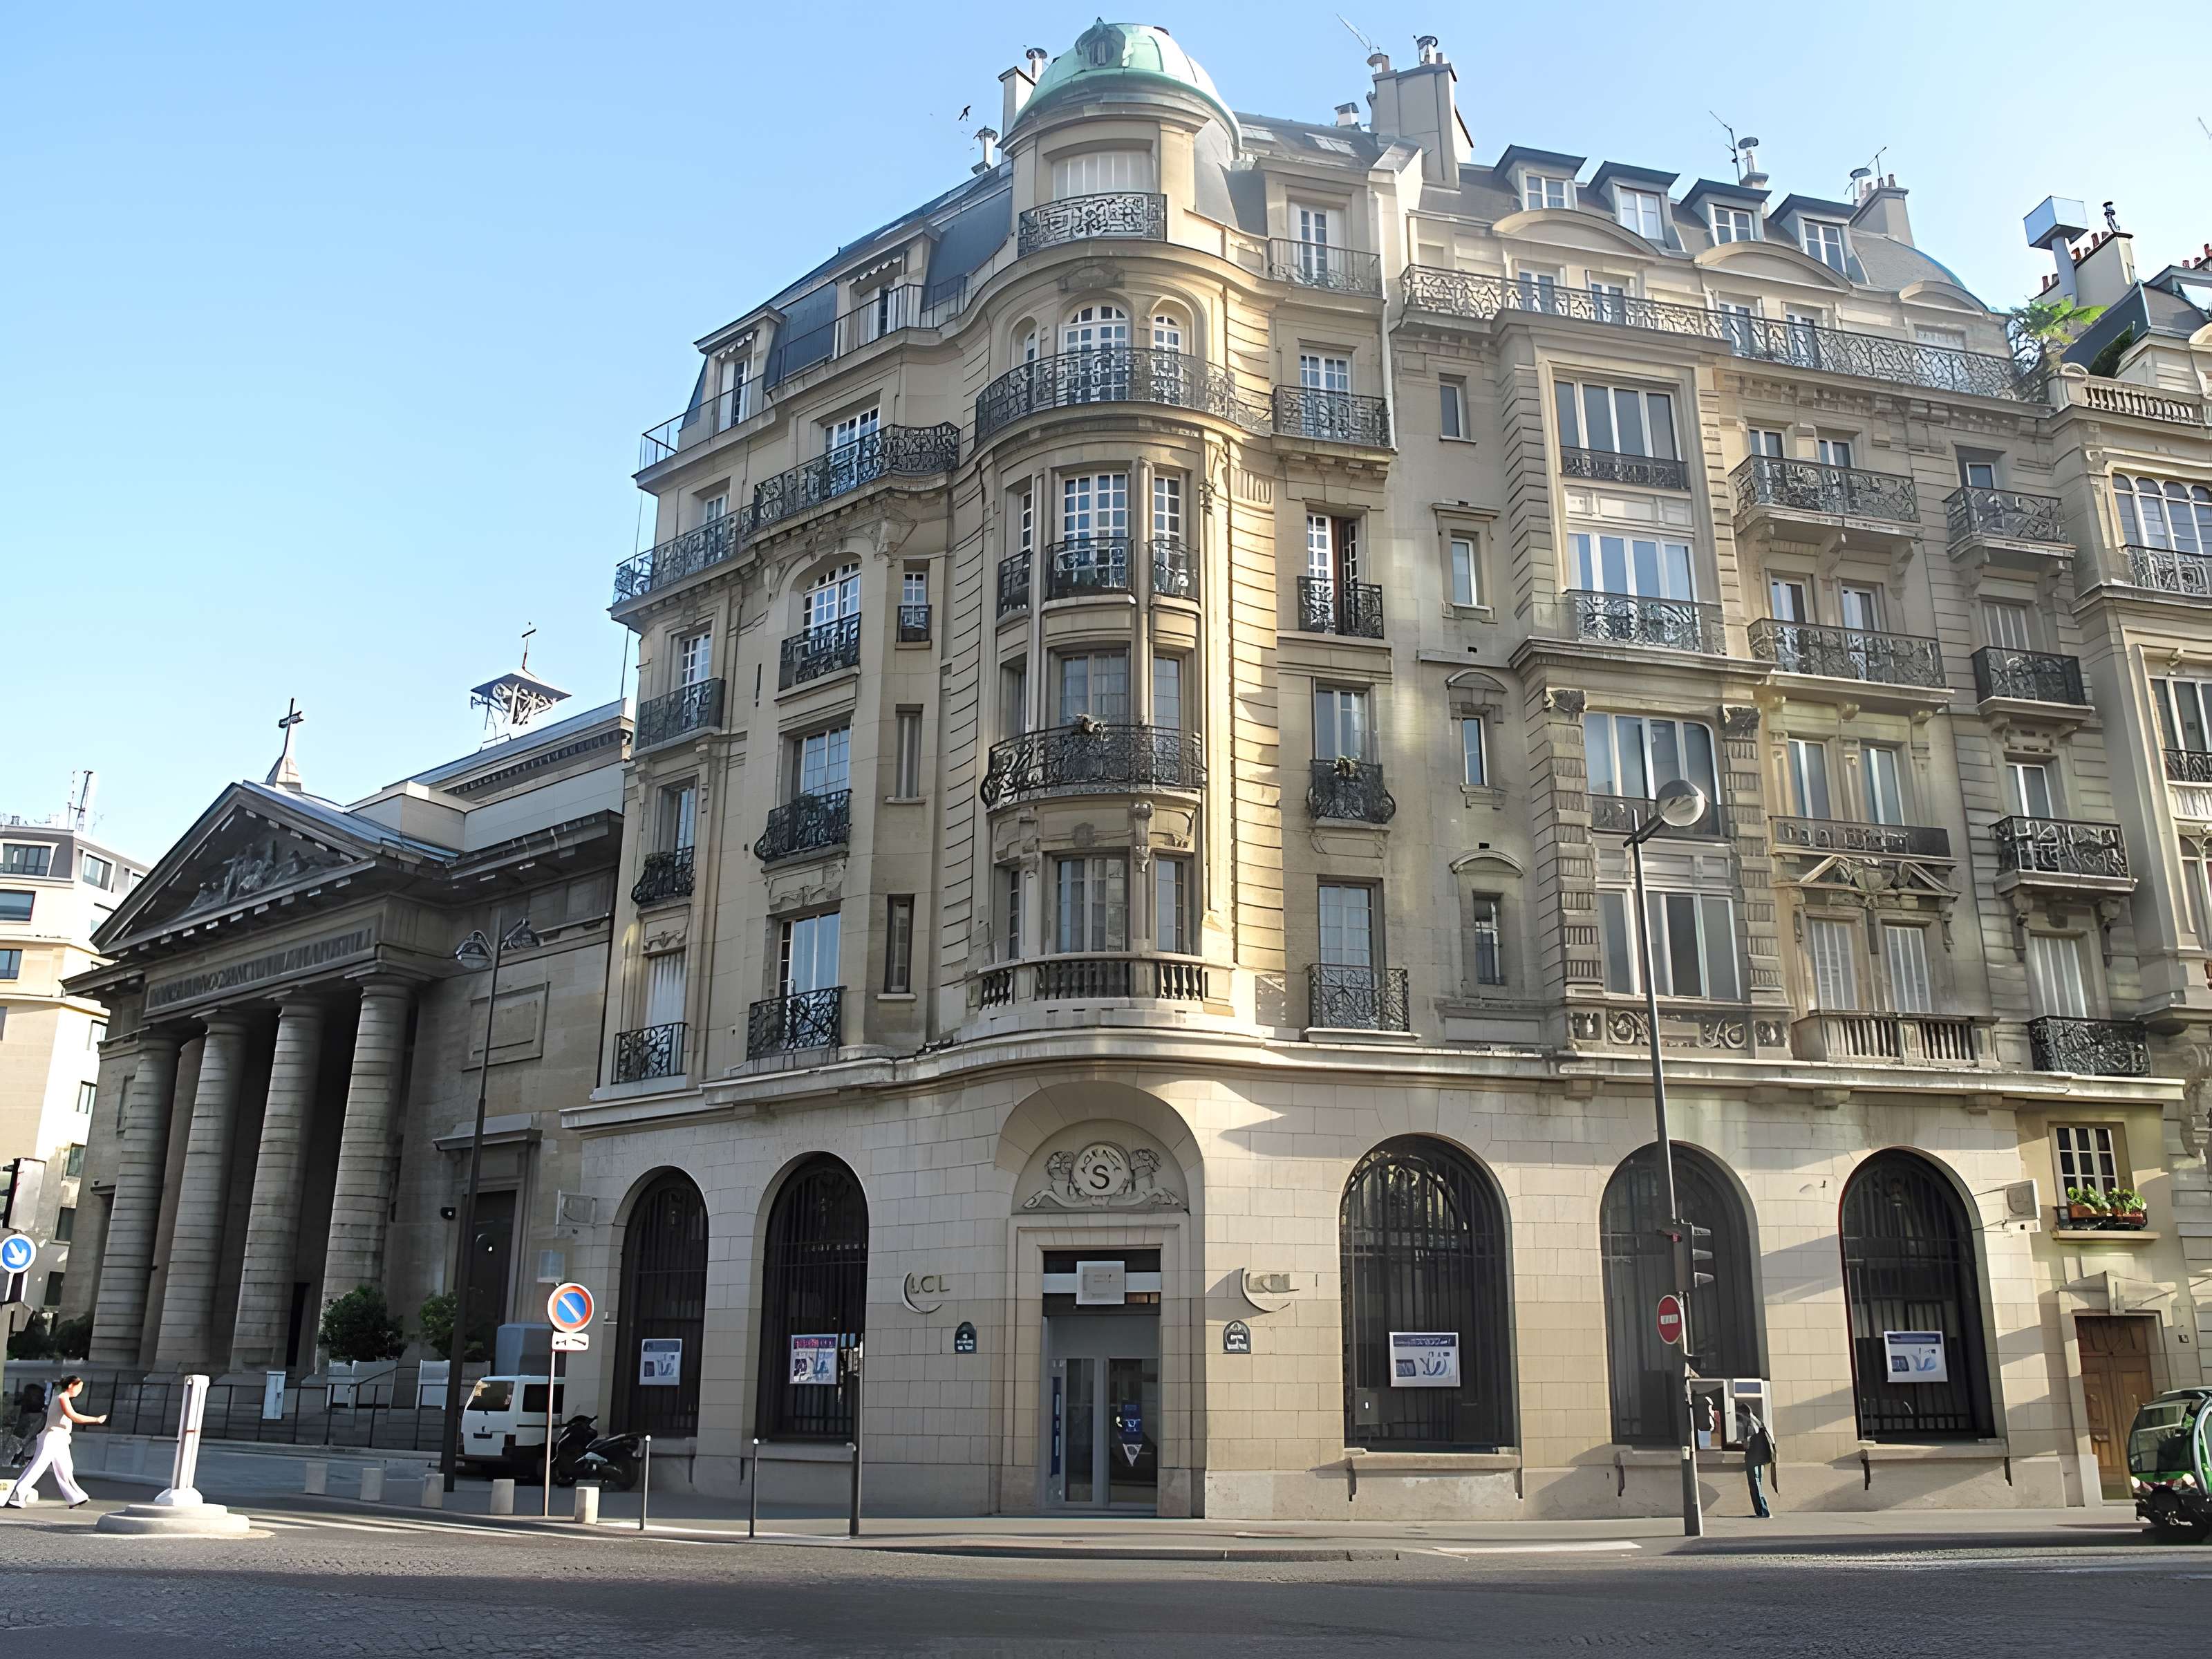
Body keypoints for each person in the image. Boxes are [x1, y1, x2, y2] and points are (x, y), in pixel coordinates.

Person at [3, 1374, 105, 1510]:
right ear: (70, 1386)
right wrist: (96, 1420)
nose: (80, 1391)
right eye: (79, 1388)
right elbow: (73, 1416)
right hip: (52, 1438)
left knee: (66, 1469)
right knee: (36, 1468)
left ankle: (76, 1497)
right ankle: (16, 1498)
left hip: (60, 1439)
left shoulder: (63, 1398)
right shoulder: (62, 1398)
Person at [1741, 1409, 1776, 1519]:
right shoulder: (1760, 1423)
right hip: (1760, 1460)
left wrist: (1743, 1442)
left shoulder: (1750, 1425)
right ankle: (1762, 1512)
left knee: (1755, 1485)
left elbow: (1747, 1444)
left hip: (1753, 1459)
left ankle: (1763, 1512)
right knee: (1758, 1484)